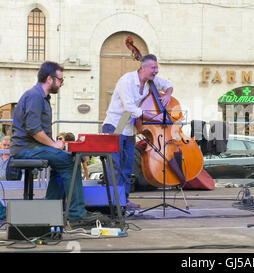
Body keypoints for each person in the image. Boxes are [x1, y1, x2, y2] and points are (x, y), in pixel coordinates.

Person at [10, 61, 108, 227]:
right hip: (25, 149)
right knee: (70, 163)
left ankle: (50, 212)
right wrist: (53, 144)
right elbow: (34, 130)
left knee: (61, 163)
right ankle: (77, 215)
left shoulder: (42, 97)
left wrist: (56, 144)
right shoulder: (34, 96)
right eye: (61, 80)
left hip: (34, 147)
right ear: (50, 79)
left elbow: (38, 132)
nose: (62, 84)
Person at [102, 54, 173, 207]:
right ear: (143, 67)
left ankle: (124, 201)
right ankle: (113, 202)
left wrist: (167, 95)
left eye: (157, 67)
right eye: (153, 68)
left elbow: (168, 84)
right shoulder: (126, 81)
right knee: (115, 166)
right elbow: (130, 109)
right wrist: (156, 118)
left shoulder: (150, 81)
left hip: (129, 127)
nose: (156, 71)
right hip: (116, 124)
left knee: (128, 167)